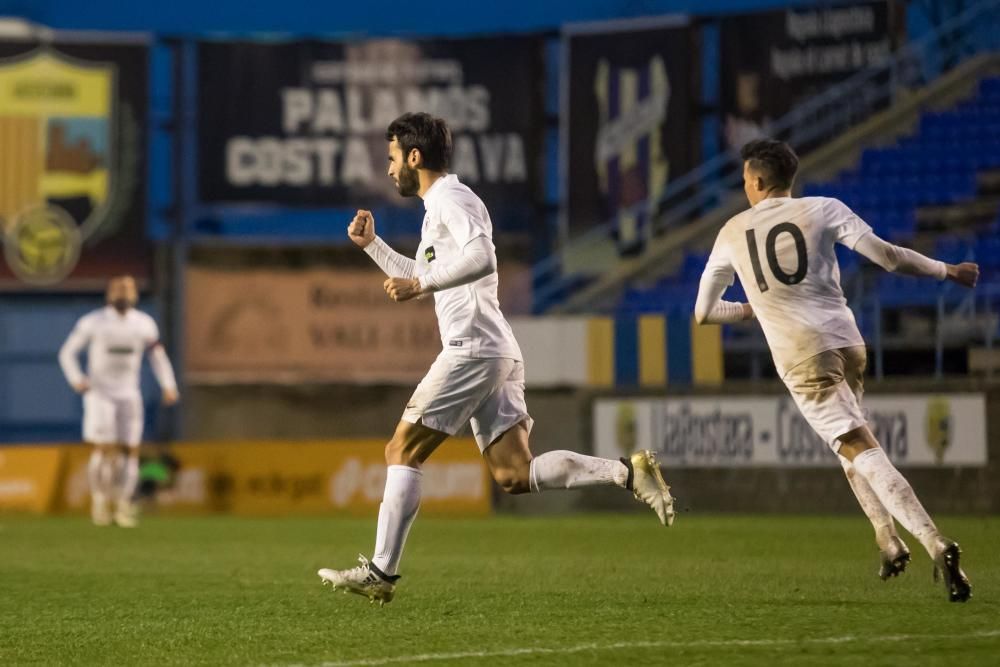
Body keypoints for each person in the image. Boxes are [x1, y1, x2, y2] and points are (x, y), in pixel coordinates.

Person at [318, 112, 676, 605]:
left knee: (401, 451)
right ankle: (627, 472)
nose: (389, 169)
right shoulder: (439, 206)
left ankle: (382, 572)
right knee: (514, 474)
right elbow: (432, 272)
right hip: (495, 348)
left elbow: (482, 257)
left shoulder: (451, 198)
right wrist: (373, 247)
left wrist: (420, 282)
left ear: (414, 158)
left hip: (472, 349)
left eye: (392, 158)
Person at [694, 138, 976, 602]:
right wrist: (948, 271)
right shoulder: (824, 208)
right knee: (850, 446)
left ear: (758, 181)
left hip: (801, 356)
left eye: (746, 179)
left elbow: (704, 312)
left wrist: (752, 310)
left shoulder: (732, 231)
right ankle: (887, 540)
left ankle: (935, 541)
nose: (744, 186)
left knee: (858, 445)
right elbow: (887, 256)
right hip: (847, 342)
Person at [58, 275, 179, 527]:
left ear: (135, 294)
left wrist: (169, 385)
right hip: (99, 394)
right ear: (109, 294)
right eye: (119, 289)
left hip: (129, 393)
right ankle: (100, 501)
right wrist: (76, 379)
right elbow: (67, 353)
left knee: (130, 451)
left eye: (128, 289)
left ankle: (124, 504)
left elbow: (158, 357)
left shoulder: (144, 324)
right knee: (102, 449)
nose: (124, 293)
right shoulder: (93, 322)